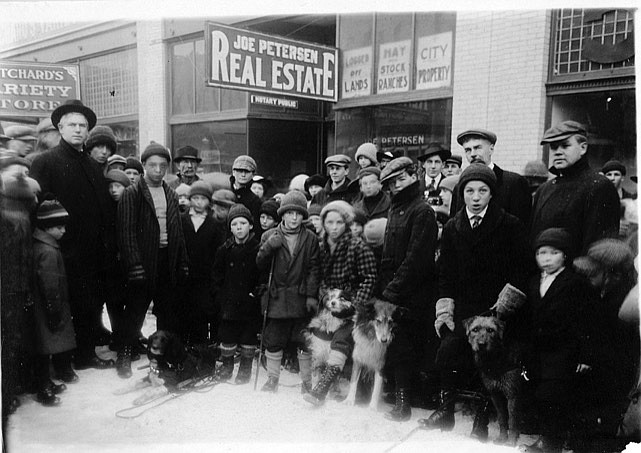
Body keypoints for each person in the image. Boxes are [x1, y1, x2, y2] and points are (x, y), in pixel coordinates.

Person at [420, 163, 530, 434]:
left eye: (483, 190)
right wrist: (445, 310)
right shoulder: (453, 227)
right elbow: (445, 274)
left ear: (492, 194)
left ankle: (482, 415)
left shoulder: (509, 224)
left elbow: (522, 269)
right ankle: (446, 411)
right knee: (448, 349)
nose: (476, 197)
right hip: (466, 310)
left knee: (491, 354)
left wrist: (503, 307)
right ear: (462, 194)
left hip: (498, 311)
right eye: (470, 191)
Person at [30, 99, 116, 370]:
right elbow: (40, 208)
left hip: (93, 251)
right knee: (63, 306)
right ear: (60, 127)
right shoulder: (45, 162)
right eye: (73, 125)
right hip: (63, 250)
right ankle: (62, 362)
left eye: (83, 126)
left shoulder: (92, 164)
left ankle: (85, 355)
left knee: (90, 303)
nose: (79, 130)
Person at [116, 141, 189, 378]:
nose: (158, 170)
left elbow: (177, 231)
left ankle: (164, 355)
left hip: (167, 259)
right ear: (144, 165)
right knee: (135, 311)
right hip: (145, 260)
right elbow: (126, 233)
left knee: (167, 311)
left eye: (162, 165)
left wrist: (181, 261)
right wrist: (135, 265)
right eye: (153, 165)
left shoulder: (170, 192)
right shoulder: (132, 193)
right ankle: (124, 355)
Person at [520, 228, 597, 453]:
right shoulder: (534, 282)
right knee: (539, 393)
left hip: (564, 349)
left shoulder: (575, 283)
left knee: (552, 394)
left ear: (565, 256)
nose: (547, 258)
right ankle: (548, 437)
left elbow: (587, 321)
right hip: (538, 351)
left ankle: (551, 442)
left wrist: (586, 355)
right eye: (541, 253)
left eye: (554, 253)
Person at [377, 157, 439, 421]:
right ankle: (399, 396)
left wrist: (393, 290)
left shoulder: (422, 210)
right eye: (392, 183)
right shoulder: (395, 209)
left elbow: (416, 258)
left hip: (412, 291)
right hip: (393, 288)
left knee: (405, 346)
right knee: (395, 344)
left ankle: (404, 404)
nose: (397, 185)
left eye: (402, 179)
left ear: (414, 176)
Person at [303, 200, 377, 405]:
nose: (334, 227)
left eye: (339, 223)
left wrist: (356, 306)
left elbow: (369, 277)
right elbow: (318, 273)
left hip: (350, 307)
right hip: (329, 304)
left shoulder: (357, 246)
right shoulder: (322, 245)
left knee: (342, 340)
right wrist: (323, 296)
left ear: (346, 224)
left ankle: (322, 389)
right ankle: (318, 378)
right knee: (318, 337)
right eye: (329, 222)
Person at [256, 191, 320, 393]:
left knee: (303, 340)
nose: (294, 218)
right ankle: (272, 380)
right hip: (276, 297)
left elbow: (314, 268)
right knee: (273, 340)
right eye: (289, 213)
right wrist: (268, 248)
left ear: (303, 216)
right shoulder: (269, 235)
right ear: (282, 214)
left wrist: (311, 295)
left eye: (299, 214)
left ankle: (307, 382)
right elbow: (259, 264)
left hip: (300, 297)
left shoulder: (310, 238)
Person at [530, 121, 620, 257]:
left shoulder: (599, 186)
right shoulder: (545, 189)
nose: (558, 152)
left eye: (565, 146)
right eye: (554, 147)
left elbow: (598, 245)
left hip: (578, 274)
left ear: (583, 148)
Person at [32, 199, 77, 407]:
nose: (64, 231)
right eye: (60, 227)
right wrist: (54, 311)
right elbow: (50, 285)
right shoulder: (48, 251)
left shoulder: (43, 245)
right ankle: (43, 388)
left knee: (45, 347)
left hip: (45, 307)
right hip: (48, 308)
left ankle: (46, 382)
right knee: (44, 350)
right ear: (47, 227)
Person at [211, 204, 261, 384]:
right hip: (229, 302)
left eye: (243, 223)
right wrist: (220, 296)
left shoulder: (258, 249)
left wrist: (256, 293)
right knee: (228, 334)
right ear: (230, 227)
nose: (239, 227)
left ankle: (245, 368)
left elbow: (262, 275)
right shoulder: (224, 250)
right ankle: (227, 365)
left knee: (248, 335)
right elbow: (216, 275)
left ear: (251, 225)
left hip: (249, 302)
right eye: (234, 224)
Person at [452, 128, 531, 225]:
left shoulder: (514, 183)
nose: (472, 154)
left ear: (491, 149)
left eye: (477, 148)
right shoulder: (459, 186)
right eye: (468, 150)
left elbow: (522, 227)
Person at [177, 180, 221, 346]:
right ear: (189, 200)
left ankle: (199, 351)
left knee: (201, 315)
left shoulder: (214, 224)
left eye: (203, 199)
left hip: (204, 278)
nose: (199, 202)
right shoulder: (181, 220)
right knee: (183, 312)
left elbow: (217, 253)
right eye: (195, 198)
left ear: (209, 201)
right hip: (184, 275)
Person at [230, 155, 261, 226]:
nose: (243, 175)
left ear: (253, 175)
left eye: (247, 172)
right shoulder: (224, 190)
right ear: (233, 172)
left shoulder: (254, 201)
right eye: (240, 171)